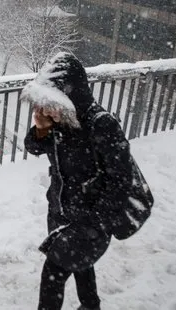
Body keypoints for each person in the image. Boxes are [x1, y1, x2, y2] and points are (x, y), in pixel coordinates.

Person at [22, 52, 134, 310]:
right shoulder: (58, 121)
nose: (44, 108)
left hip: (90, 222)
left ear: (70, 95)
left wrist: (93, 225)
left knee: (53, 274)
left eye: (51, 102)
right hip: (61, 214)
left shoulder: (101, 125)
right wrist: (41, 129)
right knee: (82, 265)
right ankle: (91, 305)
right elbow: (33, 148)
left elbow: (122, 180)